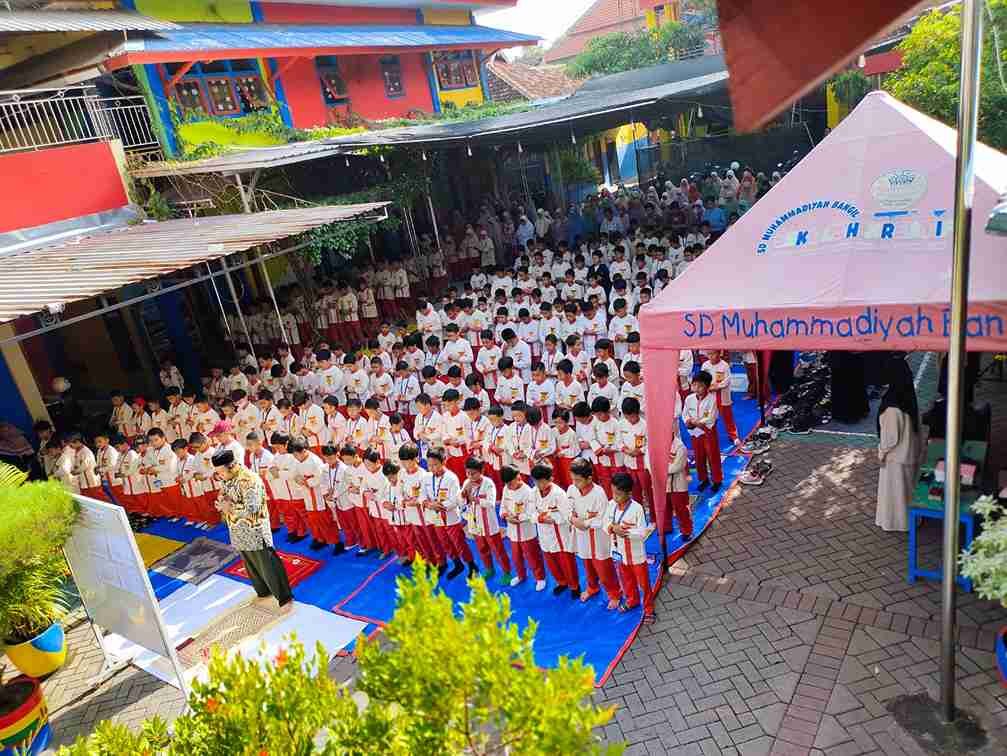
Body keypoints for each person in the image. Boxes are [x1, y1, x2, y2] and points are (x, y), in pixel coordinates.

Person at [212, 449, 292, 612]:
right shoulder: (228, 479)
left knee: (267, 563)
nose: (219, 475)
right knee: (251, 565)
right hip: (238, 529)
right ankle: (263, 592)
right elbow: (227, 496)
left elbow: (253, 508)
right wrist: (222, 502)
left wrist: (230, 507)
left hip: (254, 530)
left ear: (232, 466)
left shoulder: (250, 479)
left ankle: (284, 598)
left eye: (220, 471)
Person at [875, 357, 921, 532]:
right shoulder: (909, 398)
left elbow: (889, 439)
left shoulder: (891, 407)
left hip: (895, 458)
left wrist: (881, 453)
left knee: (894, 496)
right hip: (909, 453)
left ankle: (896, 524)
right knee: (906, 492)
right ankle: (909, 521)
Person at [604, 472, 655, 620]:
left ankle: (648, 609)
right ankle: (632, 600)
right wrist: (613, 528)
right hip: (619, 552)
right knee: (626, 579)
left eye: (618, 494)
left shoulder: (637, 508)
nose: (615, 497)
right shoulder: (611, 504)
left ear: (629, 493)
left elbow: (642, 532)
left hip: (636, 554)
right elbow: (604, 523)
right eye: (613, 492)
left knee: (643, 583)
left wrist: (624, 532)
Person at [462, 456, 512, 584]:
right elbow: (462, 501)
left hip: (489, 524)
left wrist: (476, 500)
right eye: (468, 473)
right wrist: (463, 496)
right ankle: (489, 569)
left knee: (497, 549)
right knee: (482, 548)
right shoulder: (466, 483)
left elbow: (491, 503)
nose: (470, 476)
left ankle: (507, 572)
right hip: (474, 522)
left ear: (481, 471)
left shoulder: (488, 483)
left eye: (473, 473)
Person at [683, 371, 722, 492]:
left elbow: (711, 417)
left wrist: (697, 422)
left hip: (708, 432)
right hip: (695, 433)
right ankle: (703, 479)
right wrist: (689, 421)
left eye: (700, 386)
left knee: (713, 456)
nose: (697, 388)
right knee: (699, 457)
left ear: (707, 387)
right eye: (695, 385)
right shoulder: (689, 399)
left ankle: (717, 480)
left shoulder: (712, 399)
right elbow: (685, 413)